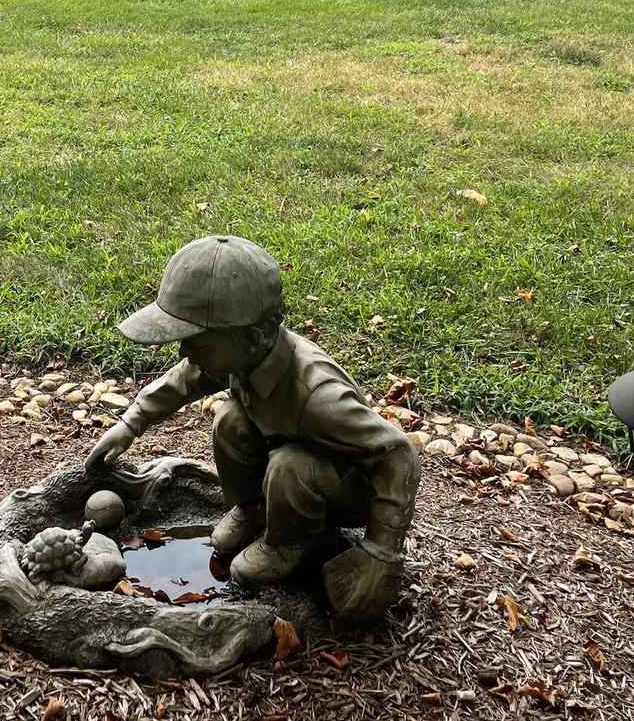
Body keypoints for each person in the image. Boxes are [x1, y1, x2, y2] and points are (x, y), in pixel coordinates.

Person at [86, 235, 419, 618]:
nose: (183, 350)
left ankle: (289, 543)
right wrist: (131, 423)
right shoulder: (244, 356)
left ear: (253, 336)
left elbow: (397, 453)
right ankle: (255, 510)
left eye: (197, 340)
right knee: (230, 420)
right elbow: (187, 377)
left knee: (289, 465)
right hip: (285, 459)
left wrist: (380, 551)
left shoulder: (316, 395)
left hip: (340, 486)